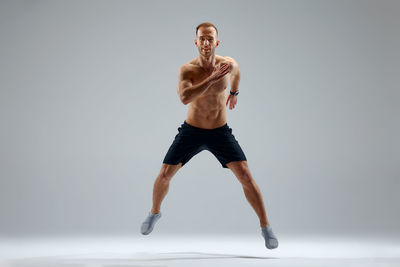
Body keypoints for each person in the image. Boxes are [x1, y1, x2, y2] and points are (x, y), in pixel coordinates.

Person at [140, 22, 278, 249]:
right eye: (202, 39)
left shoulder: (228, 64)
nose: (206, 43)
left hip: (219, 132)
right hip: (191, 131)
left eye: (210, 39)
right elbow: (185, 97)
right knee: (165, 174)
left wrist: (233, 92)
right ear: (196, 42)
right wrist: (212, 79)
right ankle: (155, 212)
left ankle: (266, 228)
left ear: (216, 42)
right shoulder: (188, 70)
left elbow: (237, 72)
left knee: (244, 174)